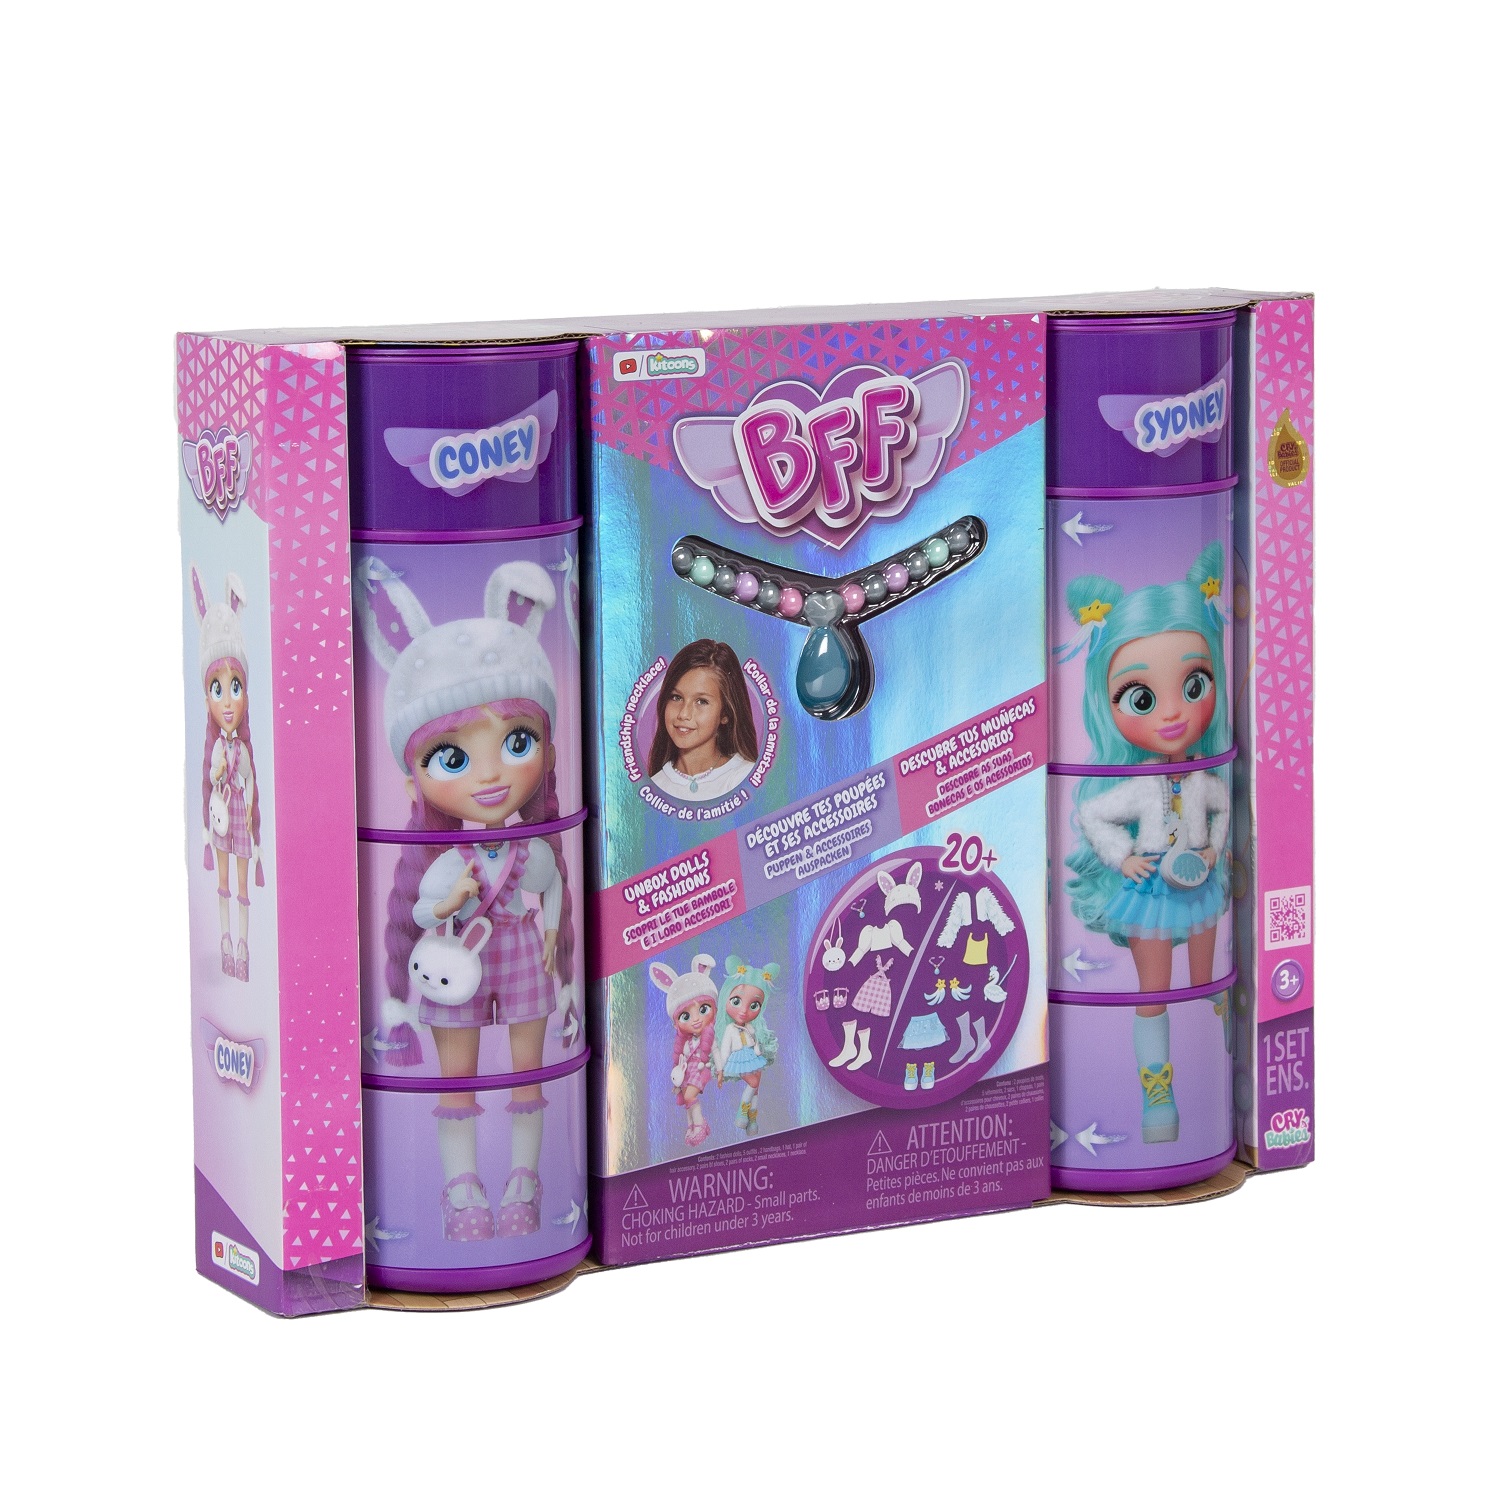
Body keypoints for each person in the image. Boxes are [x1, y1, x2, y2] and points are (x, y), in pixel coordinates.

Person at [356, 557, 578, 1241]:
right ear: (415, 778)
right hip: (455, 962)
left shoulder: (532, 849)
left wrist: (552, 935)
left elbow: (551, 890)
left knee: (527, 1075)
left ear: (546, 750)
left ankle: (523, 1179)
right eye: (452, 758)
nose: (489, 775)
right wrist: (446, 901)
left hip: (523, 957)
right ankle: (461, 1188)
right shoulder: (445, 860)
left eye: (517, 743)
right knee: (456, 1082)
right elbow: (421, 913)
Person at [1062, 543, 1231, 1143]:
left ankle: (1216, 1049)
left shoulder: (1205, 777)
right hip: (1155, 887)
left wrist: (1212, 849)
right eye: (1141, 698)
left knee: (1205, 980)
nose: (1172, 715)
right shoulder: (1135, 787)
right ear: (1108, 703)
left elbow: (1221, 810)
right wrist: (1124, 857)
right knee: (1153, 990)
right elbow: (1093, 818)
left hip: (1200, 882)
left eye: (1195, 684)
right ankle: (1158, 1095)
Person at [192, 567, 263, 982]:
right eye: (218, 690)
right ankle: (224, 940)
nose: (228, 701)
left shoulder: (244, 749)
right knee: (223, 882)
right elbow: (217, 774)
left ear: (246, 694)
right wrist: (220, 772)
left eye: (235, 687)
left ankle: (243, 945)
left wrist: (250, 809)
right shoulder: (219, 747)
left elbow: (249, 779)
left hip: (240, 817)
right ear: (208, 701)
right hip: (222, 816)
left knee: (242, 886)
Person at [647, 639, 758, 802]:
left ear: (725, 714)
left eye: (701, 701)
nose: (684, 714)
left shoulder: (746, 779)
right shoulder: (653, 787)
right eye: (676, 697)